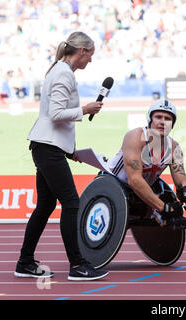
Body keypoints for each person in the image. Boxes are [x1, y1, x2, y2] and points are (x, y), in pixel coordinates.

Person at [15, 32, 109, 281]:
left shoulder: (59, 70)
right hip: (47, 149)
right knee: (71, 204)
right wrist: (85, 109)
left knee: (45, 205)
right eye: (91, 55)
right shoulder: (63, 73)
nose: (91, 60)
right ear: (82, 52)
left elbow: (53, 118)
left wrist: (70, 151)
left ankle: (24, 262)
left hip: (47, 146)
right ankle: (77, 265)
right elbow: (56, 114)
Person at [107, 98, 186, 225]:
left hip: (142, 190)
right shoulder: (135, 137)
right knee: (166, 209)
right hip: (114, 185)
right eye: (158, 117)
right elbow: (134, 179)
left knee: (175, 208)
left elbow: (181, 181)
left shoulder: (174, 148)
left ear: (172, 124)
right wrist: (163, 208)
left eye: (168, 119)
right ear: (150, 119)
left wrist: (185, 192)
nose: (162, 122)